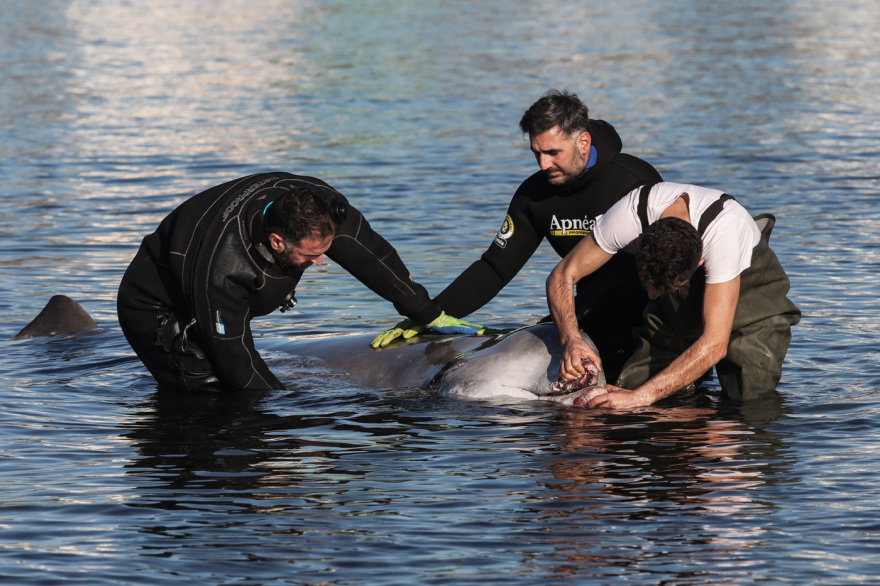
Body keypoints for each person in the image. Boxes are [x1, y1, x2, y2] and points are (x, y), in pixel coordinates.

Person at [373, 90, 662, 380]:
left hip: (649, 311)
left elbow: (662, 265)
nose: (543, 165)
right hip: (586, 315)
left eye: (553, 153)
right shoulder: (534, 195)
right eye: (537, 153)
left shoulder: (632, 181)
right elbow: (494, 269)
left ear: (583, 143)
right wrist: (429, 315)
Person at [117, 172, 481, 392]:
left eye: (325, 249)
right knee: (212, 390)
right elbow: (236, 361)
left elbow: (372, 259)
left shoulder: (321, 207)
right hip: (157, 307)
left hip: (215, 283)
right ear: (277, 242)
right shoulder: (223, 269)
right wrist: (287, 411)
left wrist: (428, 313)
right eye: (310, 256)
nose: (320, 261)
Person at [546, 181, 802, 407]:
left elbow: (714, 345)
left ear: (699, 262)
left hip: (753, 302)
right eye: (647, 285)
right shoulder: (628, 217)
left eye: (662, 289)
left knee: (747, 400)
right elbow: (561, 276)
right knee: (624, 393)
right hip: (676, 306)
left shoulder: (725, 234)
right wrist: (571, 338)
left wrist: (640, 397)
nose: (652, 296)